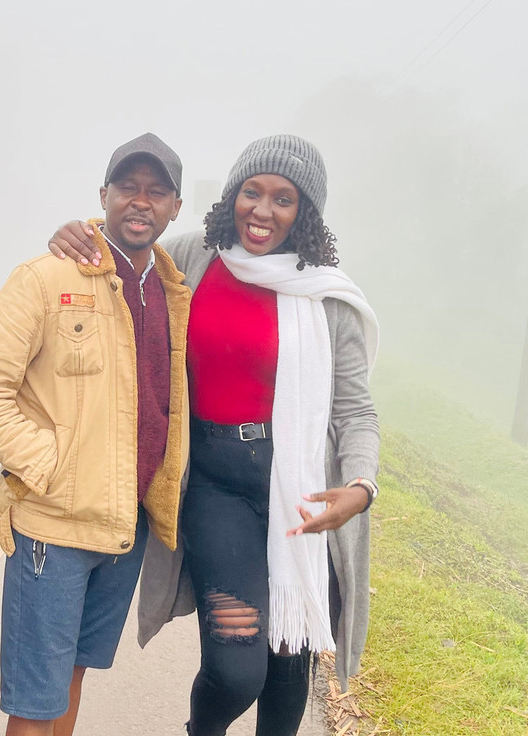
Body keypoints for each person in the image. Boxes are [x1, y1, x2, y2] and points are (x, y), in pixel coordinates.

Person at [48, 134, 379, 736]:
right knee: (236, 669)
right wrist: (79, 233)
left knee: (286, 667)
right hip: (214, 485)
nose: (262, 210)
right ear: (232, 195)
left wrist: (360, 486)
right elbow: (124, 252)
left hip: (297, 492)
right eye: (252, 191)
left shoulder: (327, 299)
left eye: (284, 198)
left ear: (306, 211)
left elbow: (355, 412)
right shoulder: (193, 256)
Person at [0, 132, 192, 736]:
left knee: (74, 675)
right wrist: (49, 464)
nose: (141, 202)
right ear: (103, 195)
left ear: (175, 208)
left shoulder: (170, 290)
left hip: (124, 525)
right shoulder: (45, 277)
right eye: (128, 189)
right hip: (53, 530)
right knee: (35, 700)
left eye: (156, 192)